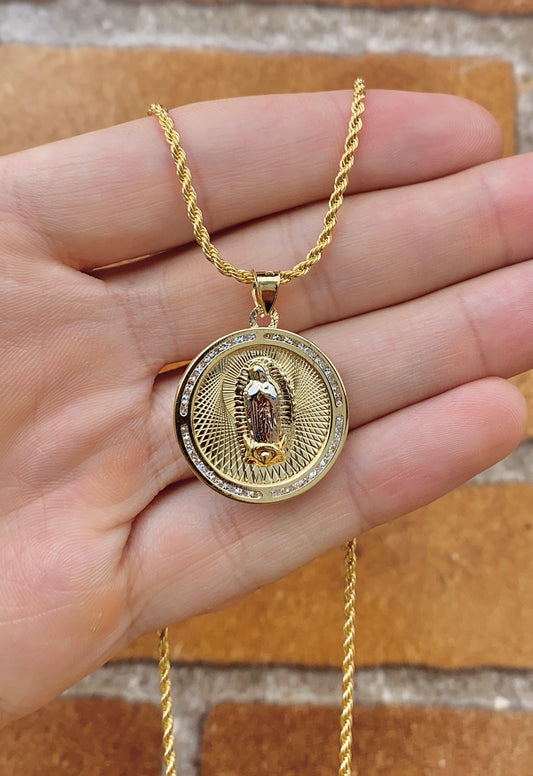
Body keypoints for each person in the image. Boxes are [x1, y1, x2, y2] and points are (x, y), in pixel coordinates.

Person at [0, 88, 530, 729]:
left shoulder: (276, 396)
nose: (258, 392)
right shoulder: (243, 393)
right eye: (253, 387)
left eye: (264, 387)